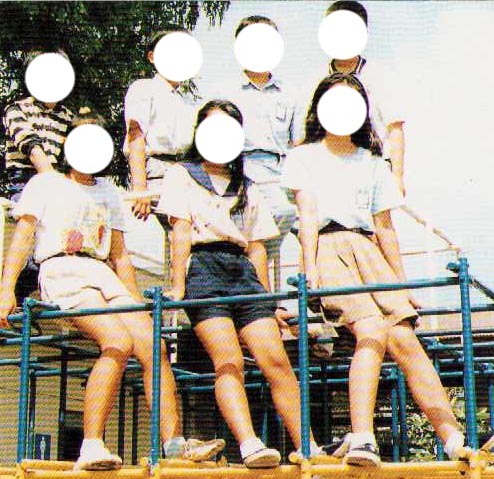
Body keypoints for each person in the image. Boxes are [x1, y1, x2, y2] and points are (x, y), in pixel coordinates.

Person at [0, 111, 225, 470]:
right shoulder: (45, 183)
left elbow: (119, 255)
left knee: (153, 344)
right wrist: (6, 289)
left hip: (101, 271)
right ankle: (91, 444)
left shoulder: (107, 191)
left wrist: (135, 303)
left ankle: (174, 444)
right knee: (116, 341)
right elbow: (23, 238)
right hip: (61, 269)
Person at [281, 74, 467, 466]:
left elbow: (385, 227)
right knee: (370, 329)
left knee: (405, 340)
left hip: (368, 249)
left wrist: (401, 284)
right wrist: (310, 267)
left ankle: (454, 438)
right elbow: (308, 215)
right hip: (328, 246)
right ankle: (363, 437)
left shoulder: (372, 162)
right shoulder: (303, 157)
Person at [156, 100, 322, 468]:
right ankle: (249, 443)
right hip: (204, 269)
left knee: (276, 360)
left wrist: (267, 300)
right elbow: (180, 231)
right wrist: (178, 285)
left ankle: (308, 445)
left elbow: (258, 246)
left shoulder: (247, 185)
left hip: (241, 270)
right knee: (229, 359)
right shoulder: (182, 175)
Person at [215, 16, 303, 262]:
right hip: (238, 169)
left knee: (304, 218)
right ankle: (249, 266)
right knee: (267, 214)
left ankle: (255, 266)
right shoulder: (224, 91)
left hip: (279, 171)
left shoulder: (291, 93)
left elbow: (298, 144)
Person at [2, 46, 74, 303]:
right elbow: (33, 149)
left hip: (57, 182)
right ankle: (12, 297)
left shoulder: (68, 117)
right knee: (34, 243)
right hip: (26, 181)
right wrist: (56, 190)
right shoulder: (16, 109)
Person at [323, 1, 406, 195]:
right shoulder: (316, 78)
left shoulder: (380, 75)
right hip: (329, 169)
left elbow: (395, 129)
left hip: (372, 168)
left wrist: (397, 177)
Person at [123, 25, 198, 221]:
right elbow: (136, 135)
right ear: (152, 57)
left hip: (185, 172)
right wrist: (140, 188)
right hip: (155, 172)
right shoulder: (143, 89)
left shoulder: (188, 101)